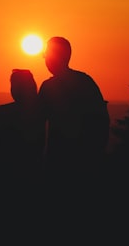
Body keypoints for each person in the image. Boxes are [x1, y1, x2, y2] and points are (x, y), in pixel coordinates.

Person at [36, 36, 110, 176]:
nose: (45, 59)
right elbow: (102, 120)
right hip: (88, 162)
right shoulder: (86, 81)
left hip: (59, 163)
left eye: (46, 54)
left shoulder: (49, 87)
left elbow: (36, 123)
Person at [0, 69, 46, 176]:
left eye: (14, 85)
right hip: (35, 170)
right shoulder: (42, 111)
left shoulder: (2, 112)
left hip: (6, 170)